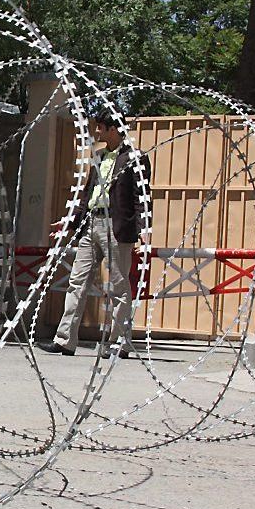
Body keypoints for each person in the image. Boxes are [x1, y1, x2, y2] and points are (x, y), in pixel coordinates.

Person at [37, 112, 152, 358]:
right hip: (91, 223)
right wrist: (70, 222)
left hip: (117, 226)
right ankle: (65, 340)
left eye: (100, 128)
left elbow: (141, 197)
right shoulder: (98, 157)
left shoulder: (135, 157)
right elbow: (87, 194)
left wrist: (144, 230)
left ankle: (118, 342)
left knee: (119, 286)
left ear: (112, 129)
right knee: (77, 281)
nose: (96, 133)